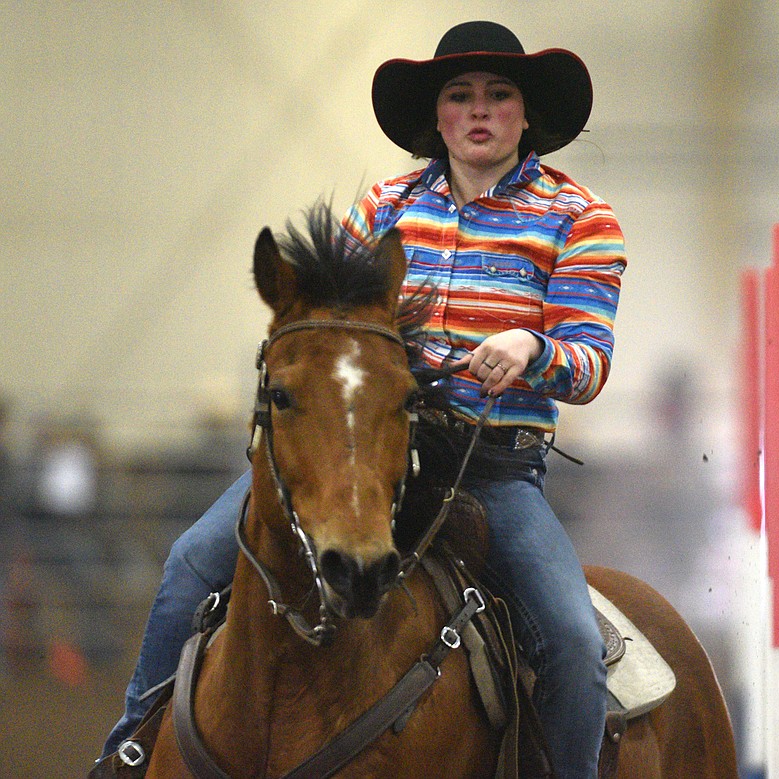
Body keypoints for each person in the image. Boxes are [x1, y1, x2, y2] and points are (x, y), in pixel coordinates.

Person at [101, 20, 626, 779]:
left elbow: (589, 364)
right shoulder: (381, 208)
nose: (479, 110)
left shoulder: (581, 220)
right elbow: (326, 329)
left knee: (573, 641)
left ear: (525, 113)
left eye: (498, 94)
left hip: (491, 473)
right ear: (437, 117)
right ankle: (128, 748)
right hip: (363, 452)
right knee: (190, 563)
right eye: (460, 95)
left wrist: (532, 348)